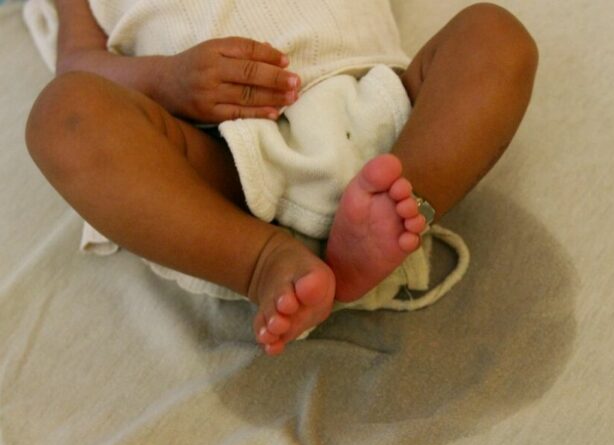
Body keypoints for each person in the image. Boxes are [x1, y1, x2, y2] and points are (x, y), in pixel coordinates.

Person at [25, 0, 538, 356]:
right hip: (223, 155)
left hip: (376, 104)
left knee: (495, 34)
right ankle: (262, 260)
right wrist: (165, 79)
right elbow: (78, 64)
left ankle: (401, 198)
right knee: (63, 115)